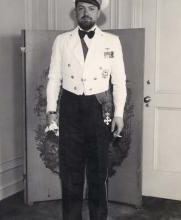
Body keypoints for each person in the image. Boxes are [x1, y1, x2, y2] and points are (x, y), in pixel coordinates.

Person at [46, 0, 127, 219]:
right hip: (70, 108)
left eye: (91, 9)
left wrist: (119, 113)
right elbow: (54, 78)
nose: (86, 13)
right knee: (71, 172)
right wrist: (51, 111)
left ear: (98, 13)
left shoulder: (112, 41)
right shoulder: (62, 41)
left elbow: (119, 80)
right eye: (81, 8)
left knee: (98, 171)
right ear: (75, 12)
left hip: (98, 109)